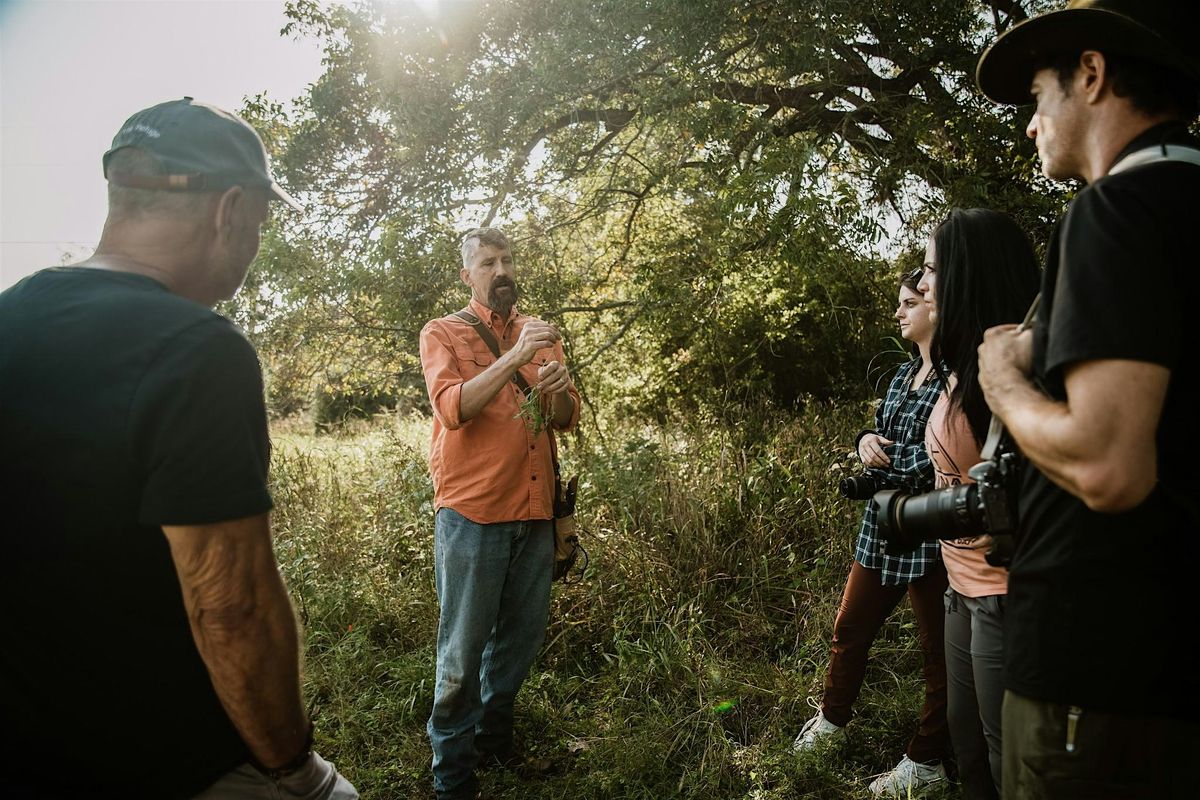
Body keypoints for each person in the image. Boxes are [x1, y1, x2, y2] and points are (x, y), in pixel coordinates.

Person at [0, 98, 357, 799]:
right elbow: (232, 607)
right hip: (169, 762)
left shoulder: (9, 316)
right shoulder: (198, 351)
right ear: (230, 209)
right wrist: (291, 767)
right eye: (259, 222)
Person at [974, 2, 1200, 797]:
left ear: (1093, 76)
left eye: (1038, 98)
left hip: (1093, 674)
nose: (1032, 128)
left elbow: (1110, 467)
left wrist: (1000, 379)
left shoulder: (1112, 211)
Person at [419, 226, 581, 800]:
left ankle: (494, 743)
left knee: (518, 641)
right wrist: (516, 356)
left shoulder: (543, 335)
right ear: (468, 276)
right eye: (487, 262)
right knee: (462, 652)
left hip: (534, 513)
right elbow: (453, 408)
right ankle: (453, 775)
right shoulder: (442, 332)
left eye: (506, 259)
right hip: (472, 514)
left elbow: (564, 419)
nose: (501, 269)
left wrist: (557, 386)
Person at [792, 270, 950, 796]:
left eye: (910, 303)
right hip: (880, 525)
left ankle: (926, 761)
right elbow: (881, 434)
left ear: (935, 307)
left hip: (929, 529)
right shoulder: (903, 375)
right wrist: (863, 439)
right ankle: (832, 721)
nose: (900, 313)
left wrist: (884, 462)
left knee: (939, 654)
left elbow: (942, 458)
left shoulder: (959, 378)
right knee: (850, 628)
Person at [915, 209, 1040, 800]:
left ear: (967, 275)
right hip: (957, 589)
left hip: (1002, 597)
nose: (921, 283)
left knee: (1005, 757)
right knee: (967, 749)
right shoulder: (958, 363)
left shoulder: (1011, 371)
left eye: (932, 269)